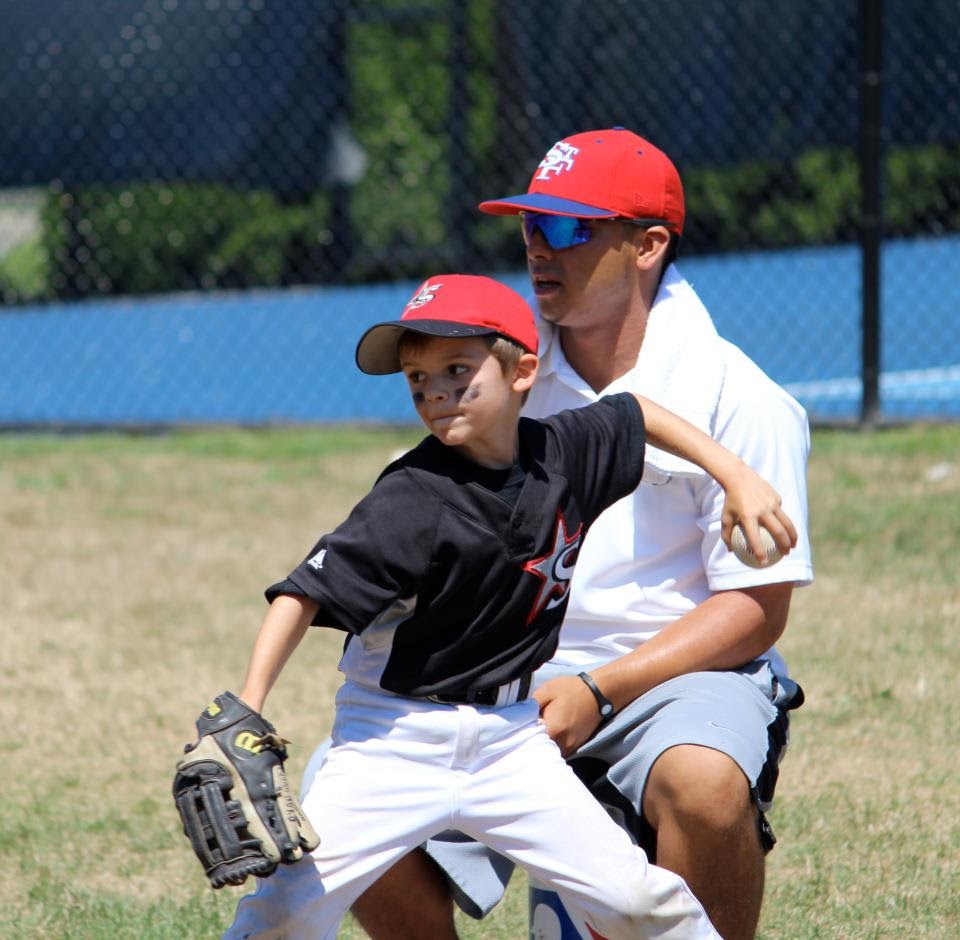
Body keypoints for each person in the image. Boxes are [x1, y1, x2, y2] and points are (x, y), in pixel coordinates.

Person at [223, 272, 798, 940]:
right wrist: (251, 703)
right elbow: (304, 591)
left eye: (457, 371)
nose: (434, 393)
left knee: (640, 903)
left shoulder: (564, 451)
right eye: (416, 381)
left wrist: (738, 475)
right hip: (394, 741)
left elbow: (638, 412)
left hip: (511, 741)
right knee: (283, 912)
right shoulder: (411, 495)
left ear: (524, 370)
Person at [343, 129, 815, 940]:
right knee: (344, 808)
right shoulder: (502, 373)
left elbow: (757, 611)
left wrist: (599, 692)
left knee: (702, 783)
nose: (539, 249)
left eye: (569, 228)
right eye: (530, 227)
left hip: (674, 680)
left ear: (649, 244)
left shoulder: (740, 397)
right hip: (507, 677)